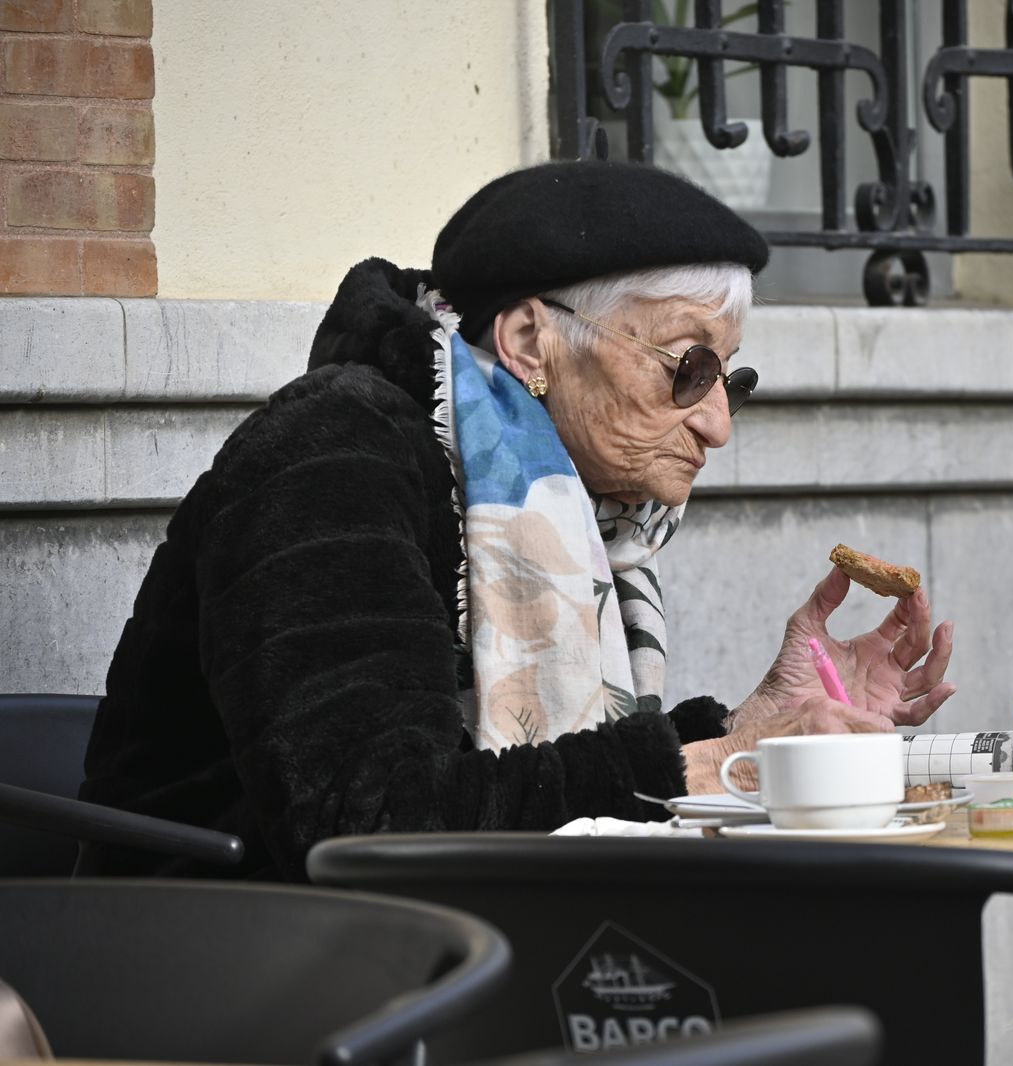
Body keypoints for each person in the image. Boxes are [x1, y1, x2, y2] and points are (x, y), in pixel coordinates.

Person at [79, 161, 956, 880]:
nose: (718, 422)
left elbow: (539, 775)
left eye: (731, 380)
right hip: (212, 954)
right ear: (533, 342)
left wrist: (758, 722)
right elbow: (367, 824)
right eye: (689, 369)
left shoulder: (563, 506)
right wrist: (720, 759)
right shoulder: (335, 452)